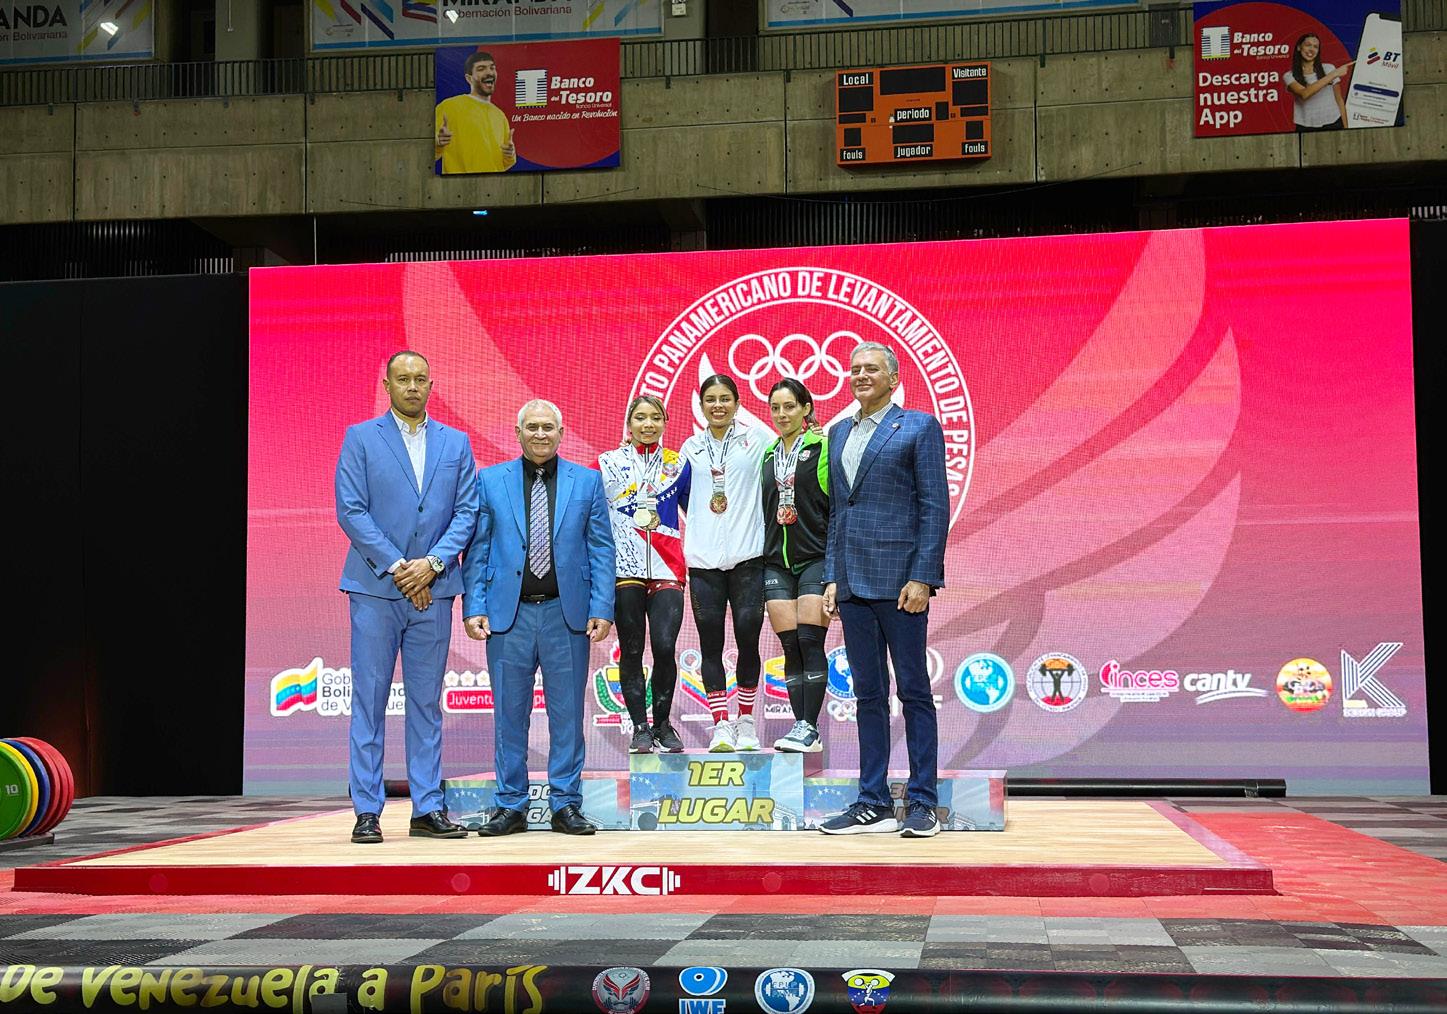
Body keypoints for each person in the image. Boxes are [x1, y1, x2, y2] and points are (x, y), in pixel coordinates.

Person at [334, 351, 479, 844]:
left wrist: (431, 565)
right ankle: (367, 811)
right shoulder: (361, 438)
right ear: (387, 385)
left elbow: (466, 512)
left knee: (426, 703)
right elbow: (351, 510)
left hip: (434, 590)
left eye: (420, 379)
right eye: (403, 379)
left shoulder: (456, 443)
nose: (412, 386)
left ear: (432, 386)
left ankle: (428, 808)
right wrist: (401, 568)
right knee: (370, 702)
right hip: (376, 589)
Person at [461, 399, 614, 836]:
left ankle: (566, 804)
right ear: (518, 432)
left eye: (548, 427)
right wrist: (474, 606)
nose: (541, 434)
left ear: (561, 433)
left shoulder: (587, 482)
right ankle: (510, 805)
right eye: (532, 427)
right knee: (510, 716)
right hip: (508, 617)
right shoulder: (490, 480)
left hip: (567, 616)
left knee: (567, 716)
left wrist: (602, 607)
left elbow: (601, 549)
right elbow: (477, 549)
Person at [819, 342, 948, 838]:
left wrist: (924, 577)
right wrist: (833, 575)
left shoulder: (918, 426)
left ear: (894, 378)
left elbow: (934, 506)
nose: (860, 375)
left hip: (900, 583)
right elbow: (839, 511)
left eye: (871, 369)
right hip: (852, 583)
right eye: (854, 369)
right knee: (868, 695)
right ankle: (871, 802)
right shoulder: (838, 431)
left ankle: (922, 802)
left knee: (914, 692)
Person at [679, 375, 770, 753]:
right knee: (710, 644)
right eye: (710, 400)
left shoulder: (757, 440)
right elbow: (679, 494)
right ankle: (721, 724)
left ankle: (746, 721)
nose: (718, 405)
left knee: (749, 638)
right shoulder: (689, 447)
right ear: (701, 406)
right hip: (704, 561)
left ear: (737, 403)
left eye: (725, 399)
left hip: (748, 557)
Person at [596, 396, 692, 754]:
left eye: (655, 418)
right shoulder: (607, 462)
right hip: (625, 566)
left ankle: (663, 724)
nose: (648, 424)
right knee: (632, 648)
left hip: (667, 565)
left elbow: (698, 513)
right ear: (629, 423)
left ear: (665, 422)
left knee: (665, 647)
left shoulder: (678, 464)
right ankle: (639, 727)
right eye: (640, 417)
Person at [761, 379, 832, 753]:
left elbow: (837, 508)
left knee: (810, 640)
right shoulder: (767, 454)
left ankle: (809, 727)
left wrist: (837, 569)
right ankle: (801, 726)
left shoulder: (823, 447)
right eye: (775, 407)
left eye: (789, 406)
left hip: (815, 557)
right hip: (775, 561)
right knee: (790, 646)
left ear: (806, 409)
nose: (781, 414)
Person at [434, 50, 518, 174]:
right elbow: (428, 154)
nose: (489, 72)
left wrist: (509, 154)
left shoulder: (500, 116)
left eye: (492, 68)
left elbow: (503, 164)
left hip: (496, 183)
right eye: (481, 69)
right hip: (460, 183)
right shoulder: (449, 106)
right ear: (469, 78)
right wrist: (438, 143)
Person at [1283, 34, 1352, 132]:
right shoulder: (1289, 75)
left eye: (1315, 47)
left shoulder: (1329, 68)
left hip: (1334, 123)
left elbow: (1339, 100)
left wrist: (1346, 130)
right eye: (1308, 45)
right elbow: (1305, 94)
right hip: (1306, 127)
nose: (1311, 49)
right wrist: (1334, 74)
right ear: (1299, 47)